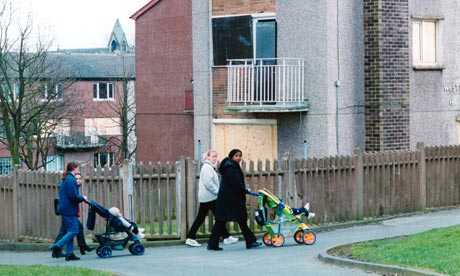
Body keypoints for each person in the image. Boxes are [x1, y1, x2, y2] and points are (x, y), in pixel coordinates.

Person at [207, 149, 262, 251]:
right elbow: (235, 183)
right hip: (231, 199)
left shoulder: (230, 166)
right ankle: (250, 241)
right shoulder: (230, 167)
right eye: (236, 156)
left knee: (223, 221)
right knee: (233, 220)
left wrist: (244, 189)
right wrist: (244, 190)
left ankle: (213, 244)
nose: (239, 158)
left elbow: (235, 183)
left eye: (240, 156)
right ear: (231, 156)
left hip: (228, 198)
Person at [185, 150, 238, 247]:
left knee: (212, 217)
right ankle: (190, 238)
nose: (215, 158)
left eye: (216, 156)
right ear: (208, 157)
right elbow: (208, 183)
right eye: (213, 156)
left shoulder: (209, 167)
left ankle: (226, 237)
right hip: (210, 197)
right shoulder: (207, 167)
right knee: (219, 217)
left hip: (208, 197)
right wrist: (218, 192)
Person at [49, 161, 87, 261]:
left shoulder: (66, 179)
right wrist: (82, 198)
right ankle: (58, 245)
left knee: (70, 231)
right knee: (74, 230)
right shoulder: (71, 179)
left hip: (64, 208)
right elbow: (73, 196)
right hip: (69, 209)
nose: (78, 170)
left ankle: (69, 254)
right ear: (74, 168)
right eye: (78, 168)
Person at [53, 172, 95, 257]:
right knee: (67, 230)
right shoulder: (71, 185)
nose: (78, 180)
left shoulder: (73, 186)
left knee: (75, 228)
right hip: (68, 211)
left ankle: (79, 248)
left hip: (67, 211)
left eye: (80, 179)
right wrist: (82, 198)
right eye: (76, 179)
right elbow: (72, 197)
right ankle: (57, 248)